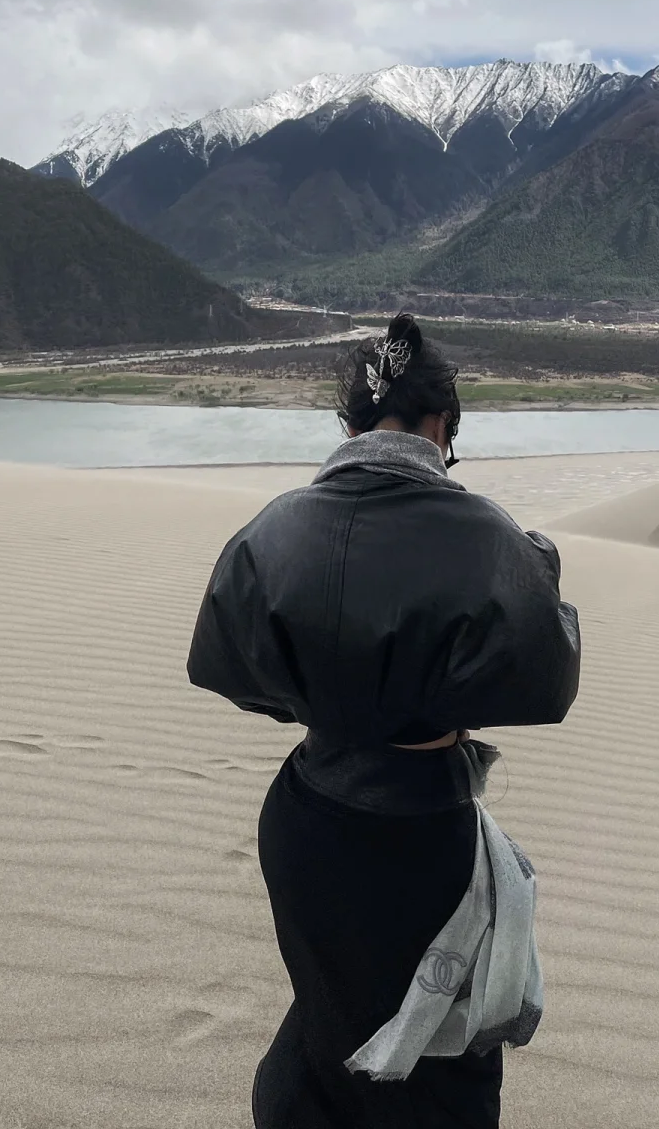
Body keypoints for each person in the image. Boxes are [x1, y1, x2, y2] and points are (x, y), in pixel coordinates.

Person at [187, 313, 581, 1128]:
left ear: (352, 424)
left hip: (305, 815)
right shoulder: (487, 533)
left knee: (330, 1019)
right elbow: (546, 681)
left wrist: (320, 695)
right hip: (422, 831)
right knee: (440, 1062)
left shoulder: (273, 527)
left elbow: (222, 662)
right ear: (441, 425)